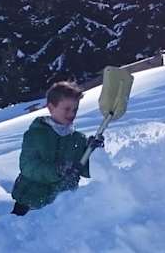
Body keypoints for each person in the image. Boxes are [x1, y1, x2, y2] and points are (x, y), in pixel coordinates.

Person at [10, 81, 104, 215]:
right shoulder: (36, 134)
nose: (72, 114)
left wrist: (93, 151)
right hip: (29, 203)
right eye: (66, 109)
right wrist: (57, 170)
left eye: (75, 109)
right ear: (51, 107)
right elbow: (28, 166)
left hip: (61, 206)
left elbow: (85, 170)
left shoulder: (77, 139)